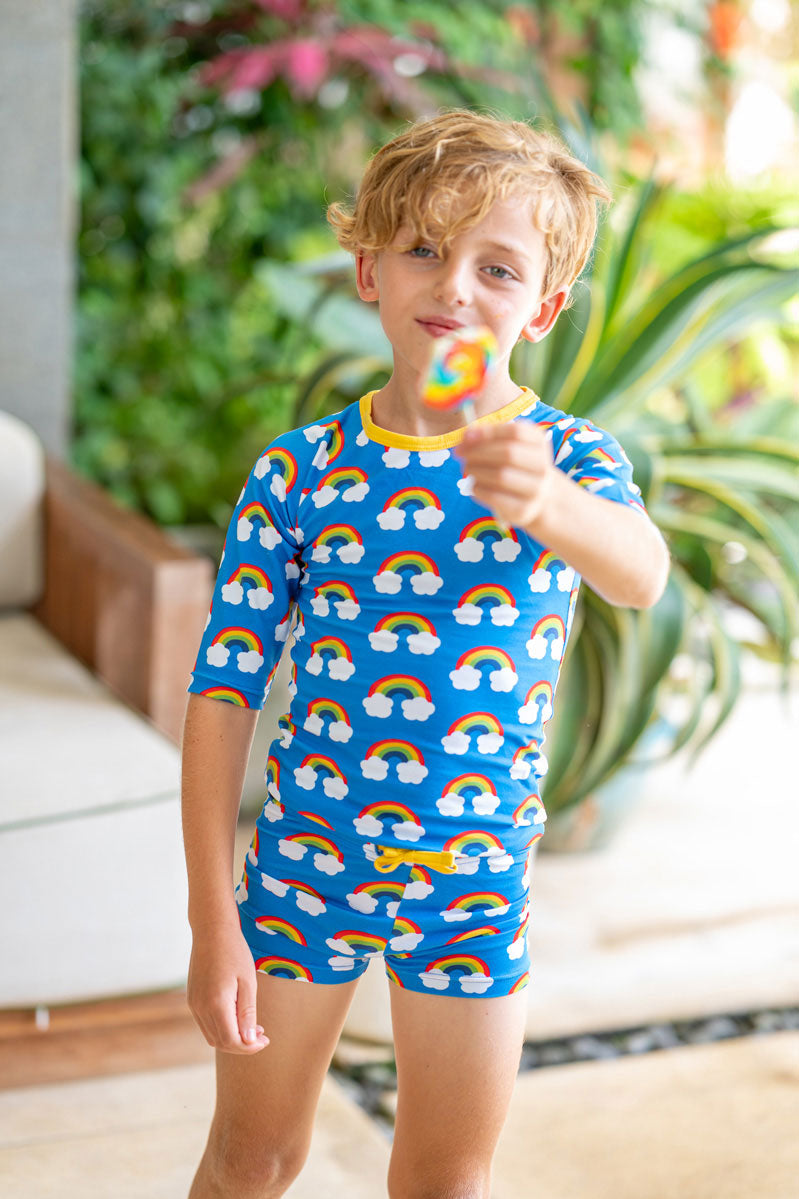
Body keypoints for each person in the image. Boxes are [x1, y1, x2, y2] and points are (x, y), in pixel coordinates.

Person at [181, 108, 670, 1199]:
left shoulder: (567, 460)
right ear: (368, 269)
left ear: (541, 307)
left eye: (496, 267)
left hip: (474, 883)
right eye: (421, 250)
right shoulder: (304, 469)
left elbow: (639, 572)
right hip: (304, 870)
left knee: (447, 1176)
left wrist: (544, 501)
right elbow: (223, 691)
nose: (453, 288)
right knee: (252, 1155)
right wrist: (213, 918)